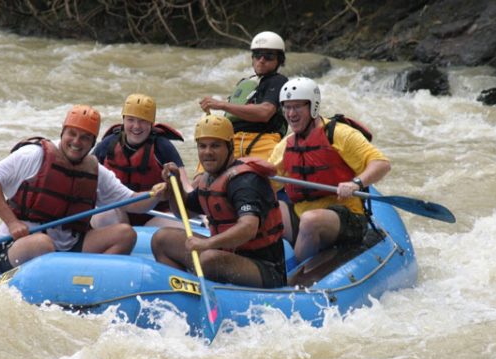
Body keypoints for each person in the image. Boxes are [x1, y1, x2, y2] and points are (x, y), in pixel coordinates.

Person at [0, 105, 166, 273]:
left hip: (70, 246)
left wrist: (158, 193)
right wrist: (12, 223)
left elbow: (134, 202)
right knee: (43, 244)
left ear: (93, 143)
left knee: (125, 234)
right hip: (21, 244)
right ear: (62, 133)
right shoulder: (33, 155)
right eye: (72, 134)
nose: (77, 142)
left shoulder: (96, 172)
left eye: (85, 138)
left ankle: (94, 280)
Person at [151, 114, 286, 288]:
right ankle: (183, 292)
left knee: (208, 258)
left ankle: (205, 292)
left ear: (229, 147)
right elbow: (183, 213)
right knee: (162, 239)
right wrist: (173, 185)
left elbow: (248, 227)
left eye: (215, 146)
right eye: (202, 146)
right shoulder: (209, 179)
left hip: (265, 268)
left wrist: (208, 243)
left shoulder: (245, 181)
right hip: (226, 253)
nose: (207, 152)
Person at [269, 77, 391, 263]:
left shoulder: (340, 134)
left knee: (311, 221)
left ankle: (297, 275)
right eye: (286, 107)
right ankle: (271, 265)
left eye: (297, 107)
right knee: (270, 209)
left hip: (347, 216)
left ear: (313, 107)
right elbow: (268, 181)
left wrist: (355, 183)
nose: (290, 113)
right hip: (302, 213)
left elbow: (381, 164)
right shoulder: (286, 145)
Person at [91, 93, 191, 227]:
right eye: (131, 120)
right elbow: (85, 176)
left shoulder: (162, 147)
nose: (136, 126)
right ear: (123, 120)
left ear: (151, 123)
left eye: (143, 121)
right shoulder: (108, 145)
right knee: (103, 215)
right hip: (119, 214)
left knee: (179, 227)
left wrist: (203, 212)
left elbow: (185, 186)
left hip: (156, 216)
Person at [197, 31, 288, 175]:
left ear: (279, 60)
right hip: (231, 142)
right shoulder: (245, 84)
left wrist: (222, 105)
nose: (262, 60)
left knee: (261, 180)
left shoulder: (278, 81)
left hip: (263, 140)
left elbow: (265, 112)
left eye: (269, 56)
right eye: (258, 55)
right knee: (200, 180)